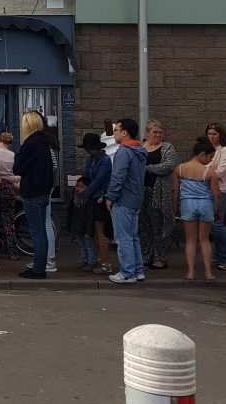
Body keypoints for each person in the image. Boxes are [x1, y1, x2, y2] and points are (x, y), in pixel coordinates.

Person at [13, 111, 54, 279]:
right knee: (41, 230)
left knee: (36, 231)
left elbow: (17, 168)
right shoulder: (44, 143)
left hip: (32, 192)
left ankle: (38, 269)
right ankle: (41, 265)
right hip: (44, 191)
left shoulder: (30, 144)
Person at [106, 118, 147, 284]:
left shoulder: (123, 151)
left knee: (123, 238)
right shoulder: (140, 151)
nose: (114, 133)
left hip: (123, 199)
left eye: (116, 130)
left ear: (125, 132)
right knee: (133, 236)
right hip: (136, 198)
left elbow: (118, 177)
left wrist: (110, 197)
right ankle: (138, 270)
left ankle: (127, 272)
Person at [174, 139, 222, 283]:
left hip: (187, 204)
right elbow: (217, 194)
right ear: (202, 154)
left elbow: (175, 190)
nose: (210, 161)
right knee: (204, 240)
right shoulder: (210, 172)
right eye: (210, 157)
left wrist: (175, 207)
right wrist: (219, 209)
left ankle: (190, 272)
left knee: (190, 240)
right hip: (206, 204)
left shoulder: (180, 168)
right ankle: (208, 273)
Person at [139, 120, 179, 270]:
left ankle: (161, 258)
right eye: (155, 132)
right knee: (143, 226)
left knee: (159, 226)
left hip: (159, 193)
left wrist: (146, 168)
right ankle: (147, 255)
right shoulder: (140, 147)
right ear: (147, 133)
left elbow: (168, 166)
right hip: (141, 191)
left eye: (160, 132)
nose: (158, 135)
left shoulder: (168, 148)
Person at [204, 122, 226, 271]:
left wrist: (206, 172)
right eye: (209, 134)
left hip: (223, 191)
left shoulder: (225, 150)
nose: (211, 136)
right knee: (214, 225)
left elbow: (220, 172)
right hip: (208, 190)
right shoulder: (207, 150)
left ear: (220, 135)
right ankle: (220, 256)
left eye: (214, 134)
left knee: (217, 224)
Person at [77, 132, 113, 274]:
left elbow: (98, 181)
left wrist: (84, 193)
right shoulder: (90, 159)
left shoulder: (104, 161)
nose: (87, 150)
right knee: (92, 231)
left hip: (100, 198)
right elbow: (86, 177)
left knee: (99, 232)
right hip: (92, 198)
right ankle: (96, 260)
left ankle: (105, 262)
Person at [67, 176, 97, 271]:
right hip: (77, 228)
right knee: (82, 245)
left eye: (81, 187)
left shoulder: (88, 200)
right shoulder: (74, 199)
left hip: (85, 229)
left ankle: (92, 262)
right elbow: (71, 214)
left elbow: (90, 217)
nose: (78, 188)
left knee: (89, 246)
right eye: (77, 186)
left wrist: (89, 232)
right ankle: (85, 259)